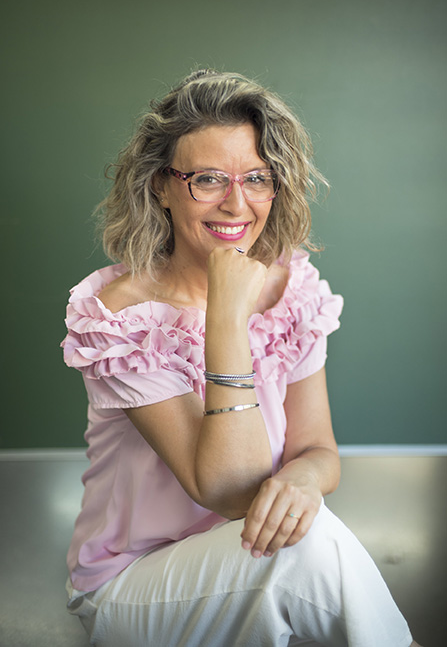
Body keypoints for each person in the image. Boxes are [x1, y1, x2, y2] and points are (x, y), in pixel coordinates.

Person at [62, 69, 419, 646]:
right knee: (299, 548)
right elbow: (229, 492)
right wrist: (227, 316)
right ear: (161, 186)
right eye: (207, 179)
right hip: (133, 585)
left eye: (256, 178)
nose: (236, 204)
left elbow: (318, 450)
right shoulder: (121, 319)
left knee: (303, 533)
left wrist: (301, 480)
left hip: (250, 556)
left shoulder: (291, 290)